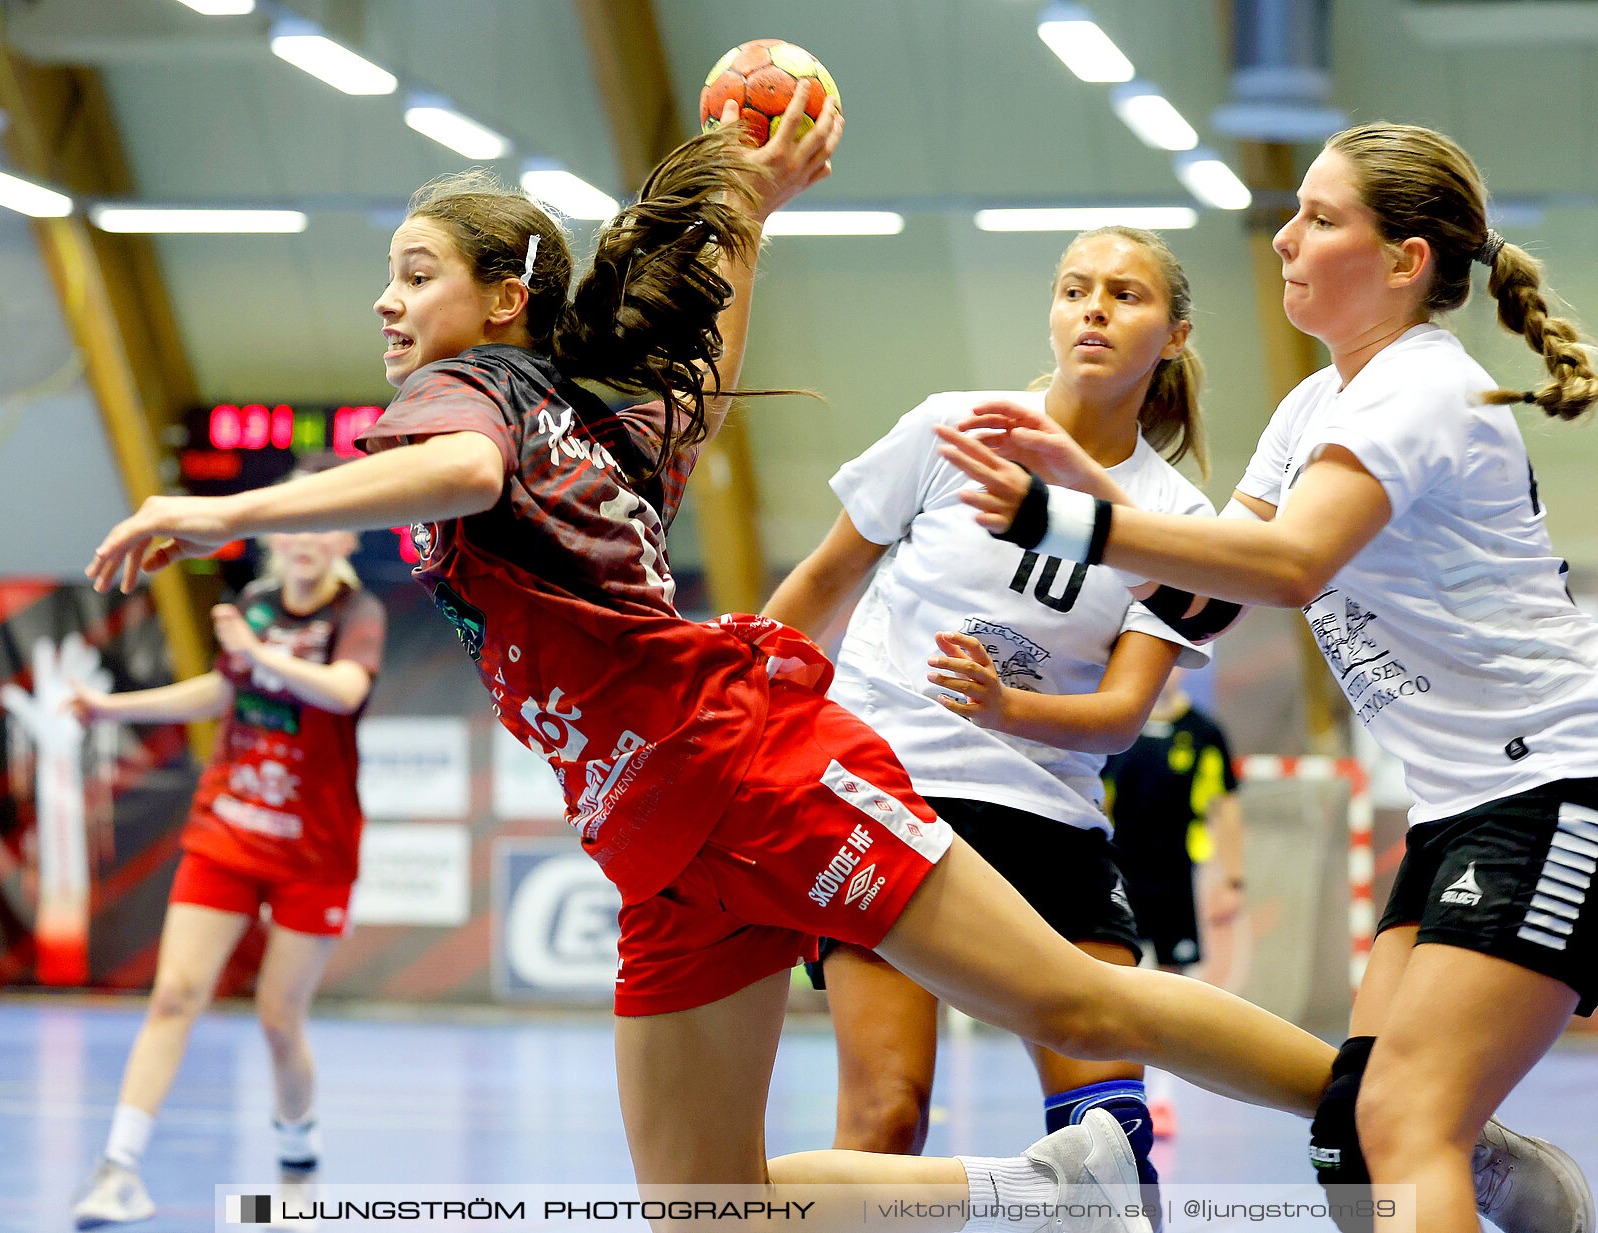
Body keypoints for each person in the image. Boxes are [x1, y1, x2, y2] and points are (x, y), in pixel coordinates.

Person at [84, 88, 1346, 1232]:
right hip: (657, 837)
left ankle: (1386, 1114)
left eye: (415, 273)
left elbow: (465, 472)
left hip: (745, 773)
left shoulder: (461, 398)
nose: (386, 300)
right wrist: (749, 203)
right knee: (706, 1208)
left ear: (503, 301)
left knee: (1081, 1006)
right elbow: (707, 366)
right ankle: (1038, 1193)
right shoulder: (596, 422)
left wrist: (219, 514)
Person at [936, 120, 1598, 1233]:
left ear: (1401, 262)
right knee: (1348, 1131)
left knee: (1406, 1125)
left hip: (1570, 793)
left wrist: (1069, 515)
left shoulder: (1422, 388)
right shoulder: (1314, 403)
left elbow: (1288, 565)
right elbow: (1208, 591)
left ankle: (1493, 1180)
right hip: (1465, 812)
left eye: (1320, 218)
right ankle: (1515, 1196)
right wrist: (1079, 490)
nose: (1284, 238)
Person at [762, 224, 1215, 1193]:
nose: (1093, 308)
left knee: (1114, 1139)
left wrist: (1006, 707)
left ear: (1174, 335)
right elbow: (822, 582)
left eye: (1125, 295)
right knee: (886, 1116)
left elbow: (1123, 717)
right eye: (1074, 289)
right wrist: (740, 718)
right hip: (885, 794)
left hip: (1046, 819)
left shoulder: (1180, 525)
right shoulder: (950, 428)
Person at [70, 523, 385, 1228]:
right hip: (230, 828)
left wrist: (259, 653)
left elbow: (342, 691)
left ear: (346, 543)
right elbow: (222, 691)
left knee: (279, 1018)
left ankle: (298, 1163)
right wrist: (111, 708)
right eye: (295, 525)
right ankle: (118, 1167)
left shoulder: (356, 615)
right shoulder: (257, 602)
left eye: (325, 526)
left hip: (316, 847)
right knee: (176, 992)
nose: (307, 538)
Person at [1102, 668, 1245, 978]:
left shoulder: (1204, 731)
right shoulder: (1117, 725)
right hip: (1120, 873)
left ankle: (1163, 1030)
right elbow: (1098, 800)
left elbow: (1226, 808)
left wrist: (1233, 880)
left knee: (1173, 976)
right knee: (1117, 972)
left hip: (1177, 874)